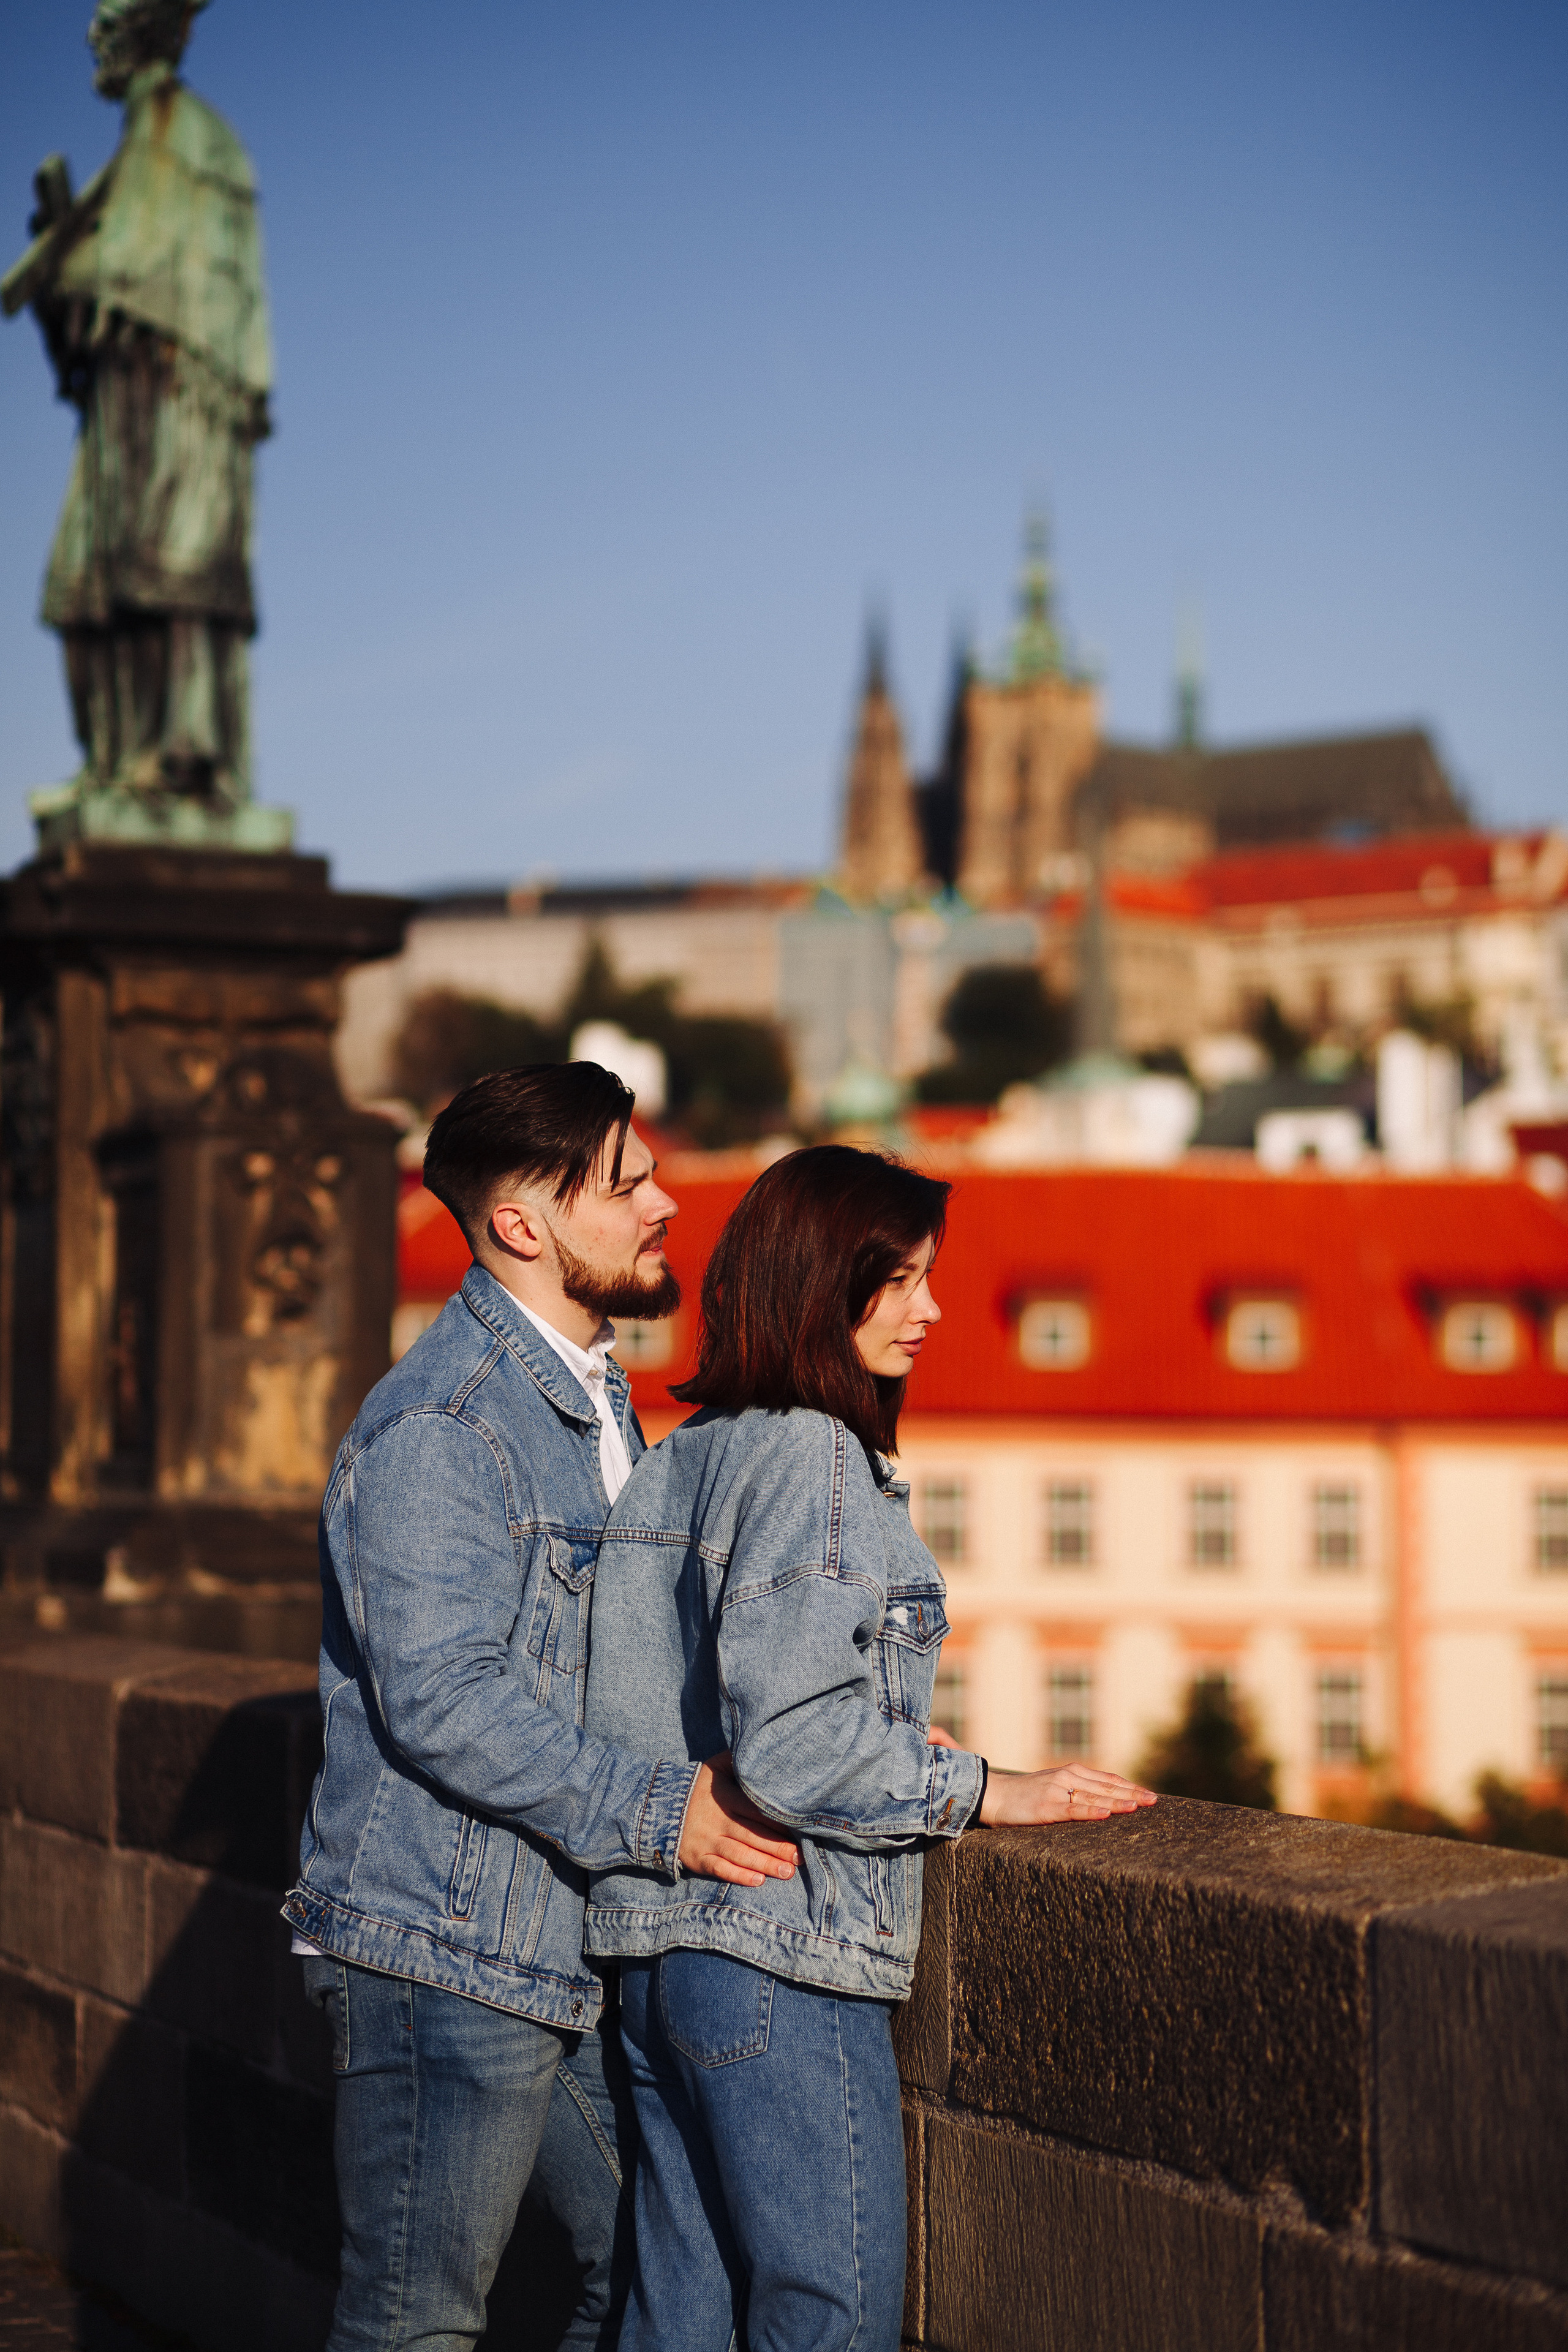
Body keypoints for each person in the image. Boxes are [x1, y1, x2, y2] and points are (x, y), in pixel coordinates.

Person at [583, 1144, 1156, 2352]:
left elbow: (693, 1699)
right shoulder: (812, 1457)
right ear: (819, 1282)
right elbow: (791, 1749)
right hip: (779, 1962)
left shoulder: (678, 1457)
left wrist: (878, 1727)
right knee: (826, 2319)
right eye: (898, 1278)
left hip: (655, 1959)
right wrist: (983, 1786)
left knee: (674, 2320)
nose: (930, 1308)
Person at [281, 1063, 799, 2352]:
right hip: (440, 1947)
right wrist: (657, 1811)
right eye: (626, 1184)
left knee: (647, 2269)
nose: (665, 1204)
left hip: (563, 1938)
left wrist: (830, 1741)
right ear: (521, 1221)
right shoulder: (445, 1423)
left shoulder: (590, 1396)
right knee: (412, 2323)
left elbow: (626, 1662)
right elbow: (444, 1698)